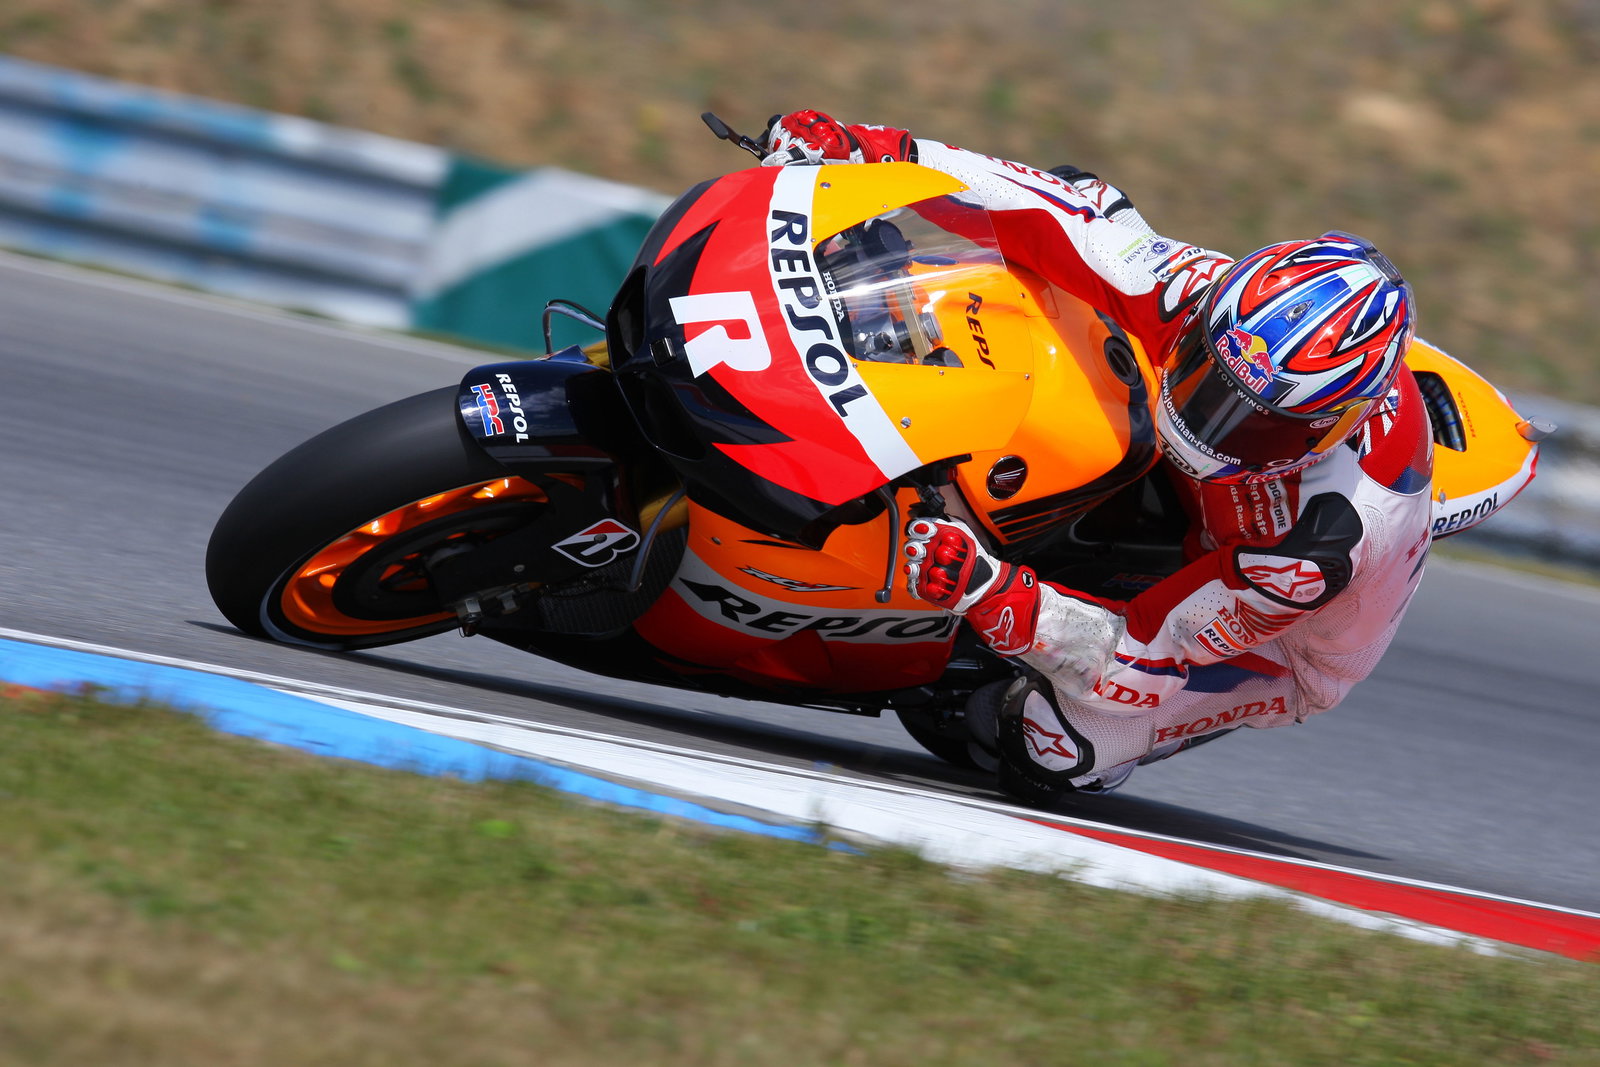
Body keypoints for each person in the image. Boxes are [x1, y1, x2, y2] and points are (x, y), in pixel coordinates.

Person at [763, 110, 1434, 803]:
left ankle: (999, 700)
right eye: (1206, 372)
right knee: (1079, 202)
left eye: (1255, 427)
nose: (1208, 422)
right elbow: (1057, 215)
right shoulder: (1205, 296)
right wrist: (877, 152)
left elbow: (1149, 653)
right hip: (1207, 503)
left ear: (1331, 427)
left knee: (1060, 743)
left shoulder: (1316, 544)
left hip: (1270, 641)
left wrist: (996, 596)